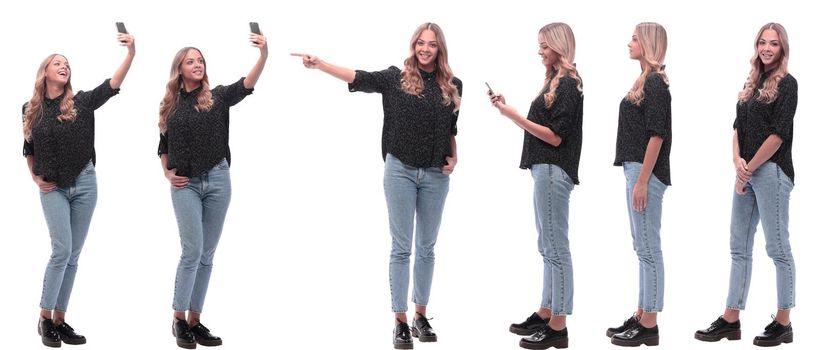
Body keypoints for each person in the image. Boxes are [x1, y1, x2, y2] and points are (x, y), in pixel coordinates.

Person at [292, 22, 462, 350]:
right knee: (402, 247)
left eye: (432, 45)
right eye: (420, 43)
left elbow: (452, 127)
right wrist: (321, 64)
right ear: (414, 46)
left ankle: (420, 315)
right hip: (399, 170)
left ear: (440, 49)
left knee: (427, 247)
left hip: (436, 176)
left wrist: (454, 158)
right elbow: (359, 77)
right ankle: (399, 322)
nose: (425, 49)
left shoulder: (453, 86)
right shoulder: (395, 77)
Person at [23, 31, 135, 348]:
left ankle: (60, 319)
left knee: (73, 255)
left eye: (67, 64)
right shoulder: (30, 110)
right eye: (58, 63)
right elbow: (27, 149)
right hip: (53, 187)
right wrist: (35, 178)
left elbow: (112, 85)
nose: (64, 66)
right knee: (61, 250)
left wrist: (130, 55)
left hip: (85, 183)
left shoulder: (82, 102)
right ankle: (45, 318)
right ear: (45, 71)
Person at [159, 31, 267, 349]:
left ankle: (195, 320)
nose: (197, 64)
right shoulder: (170, 106)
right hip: (186, 184)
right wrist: (166, 172)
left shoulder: (218, 97)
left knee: (207, 255)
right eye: (190, 61)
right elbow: (162, 145)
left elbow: (247, 84)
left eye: (201, 60)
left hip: (219, 180)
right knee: (192, 251)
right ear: (179, 69)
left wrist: (263, 56)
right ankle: (179, 319)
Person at [694, 22, 797, 348]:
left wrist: (748, 169)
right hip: (747, 172)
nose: (767, 48)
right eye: (763, 42)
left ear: (782, 50)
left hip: (771, 173)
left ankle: (783, 322)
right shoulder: (751, 85)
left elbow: (778, 135)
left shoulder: (788, 84)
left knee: (777, 249)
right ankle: (730, 318)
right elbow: (737, 128)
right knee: (738, 247)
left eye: (774, 44)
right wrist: (737, 163)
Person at [489, 22, 583, 350]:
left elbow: (555, 136)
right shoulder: (555, 82)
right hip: (544, 171)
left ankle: (559, 324)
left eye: (544, 45)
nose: (540, 51)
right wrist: (507, 107)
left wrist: (514, 116)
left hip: (554, 171)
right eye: (539, 45)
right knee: (547, 245)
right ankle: (546, 312)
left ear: (559, 46)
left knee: (556, 247)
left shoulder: (570, 84)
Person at [606, 22, 671, 347]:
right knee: (641, 246)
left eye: (634, 38)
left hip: (646, 173)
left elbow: (657, 134)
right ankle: (642, 312)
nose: (629, 42)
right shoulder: (644, 80)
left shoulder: (656, 83)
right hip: (635, 170)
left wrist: (643, 180)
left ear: (648, 43)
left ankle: (650, 323)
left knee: (648, 247)